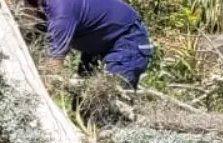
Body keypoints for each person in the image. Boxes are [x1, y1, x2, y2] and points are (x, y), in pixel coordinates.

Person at [26, 0, 154, 90]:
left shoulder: (61, 12)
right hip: (97, 45)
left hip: (128, 40)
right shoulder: (42, 7)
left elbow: (53, 67)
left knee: (107, 106)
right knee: (82, 104)